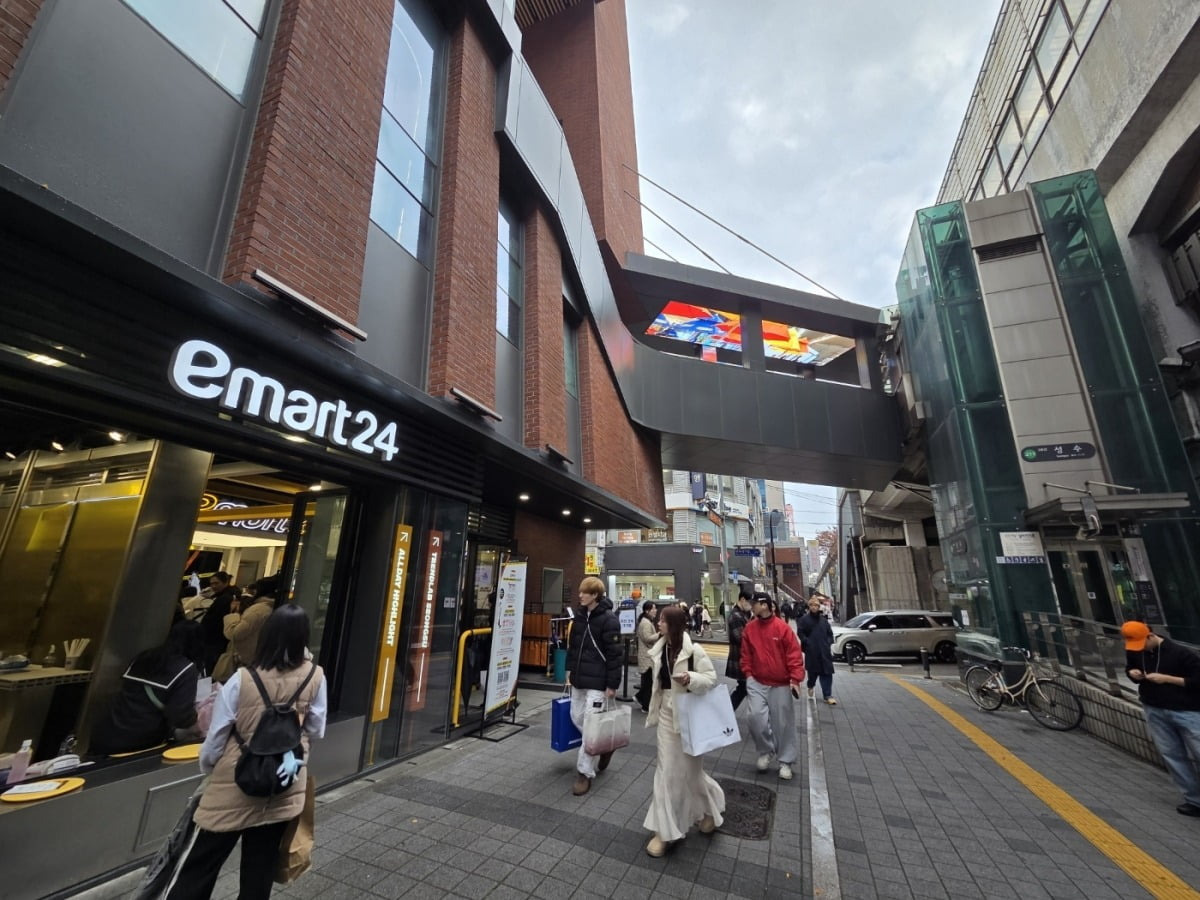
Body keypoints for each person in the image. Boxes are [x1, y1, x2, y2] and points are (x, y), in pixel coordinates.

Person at [168, 604, 326, 900]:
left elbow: (216, 736)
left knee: (199, 867)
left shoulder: (243, 678)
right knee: (259, 871)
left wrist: (211, 768)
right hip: (282, 783)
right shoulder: (315, 676)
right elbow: (317, 729)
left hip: (233, 785)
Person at [641, 605, 725, 857]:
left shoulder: (694, 650)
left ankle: (710, 809)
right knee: (666, 772)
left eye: (663, 620)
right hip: (666, 714)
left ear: (674, 625)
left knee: (691, 772)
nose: (658, 623)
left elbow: (710, 678)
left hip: (690, 716)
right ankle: (664, 832)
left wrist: (691, 678)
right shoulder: (660, 648)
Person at [91, 620, 205, 755]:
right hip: (140, 741)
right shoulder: (186, 669)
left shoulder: (145, 656)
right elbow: (181, 716)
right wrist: (197, 722)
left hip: (108, 731)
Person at [1122, 621, 1200, 816]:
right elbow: (1129, 667)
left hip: (1187, 711)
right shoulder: (1135, 652)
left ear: (1150, 636)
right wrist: (1132, 674)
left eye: (1141, 644)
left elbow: (1198, 681)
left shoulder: (1180, 653)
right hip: (1154, 708)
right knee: (1171, 755)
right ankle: (1194, 800)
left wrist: (1168, 679)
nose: (1139, 649)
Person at [566, 576, 623, 796]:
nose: (580, 595)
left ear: (595, 595)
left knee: (591, 726)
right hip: (579, 679)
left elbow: (615, 655)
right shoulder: (580, 616)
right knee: (576, 716)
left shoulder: (609, 620)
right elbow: (573, 647)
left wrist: (612, 684)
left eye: (585, 592)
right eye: (580, 591)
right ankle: (604, 745)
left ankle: (584, 772)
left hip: (598, 683)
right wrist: (569, 670)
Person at [741, 593, 804, 780]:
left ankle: (785, 761)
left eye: (754, 603)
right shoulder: (750, 628)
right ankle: (766, 750)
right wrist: (749, 675)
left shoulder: (782, 628)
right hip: (757, 680)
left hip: (781, 683)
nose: (751, 606)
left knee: (783, 723)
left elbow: (794, 655)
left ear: (765, 605)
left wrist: (795, 680)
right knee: (754, 717)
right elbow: (746, 654)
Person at [221, 577, 279, 681]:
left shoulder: (258, 610)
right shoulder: (274, 608)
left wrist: (233, 614)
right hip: (259, 661)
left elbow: (235, 634)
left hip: (244, 662)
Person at [798, 596, 837, 705]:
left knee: (827, 673)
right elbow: (800, 632)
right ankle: (810, 685)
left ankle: (827, 695)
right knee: (813, 673)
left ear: (819, 607)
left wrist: (828, 642)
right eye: (812, 605)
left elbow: (829, 633)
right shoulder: (804, 620)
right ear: (809, 606)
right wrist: (807, 641)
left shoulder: (823, 620)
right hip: (812, 651)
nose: (814, 607)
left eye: (816, 605)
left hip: (824, 651)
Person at [201, 572, 239, 673]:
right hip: (220, 640)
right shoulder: (228, 596)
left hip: (215, 640)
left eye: (216, 583)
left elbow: (214, 620)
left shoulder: (225, 599)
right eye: (211, 584)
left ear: (225, 582)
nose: (213, 586)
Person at [725, 590, 753, 710]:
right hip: (739, 658)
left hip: (742, 658)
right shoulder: (735, 616)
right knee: (744, 687)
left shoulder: (743, 614)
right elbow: (741, 638)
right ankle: (727, 711)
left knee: (744, 688)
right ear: (742, 600)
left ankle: (727, 712)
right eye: (750, 602)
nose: (751, 605)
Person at [634, 600, 658, 712]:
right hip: (647, 657)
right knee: (648, 682)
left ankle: (639, 697)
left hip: (646, 656)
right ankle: (645, 705)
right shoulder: (646, 623)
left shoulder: (646, 621)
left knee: (647, 682)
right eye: (653, 608)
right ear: (647, 611)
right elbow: (648, 638)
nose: (655, 611)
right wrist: (660, 634)